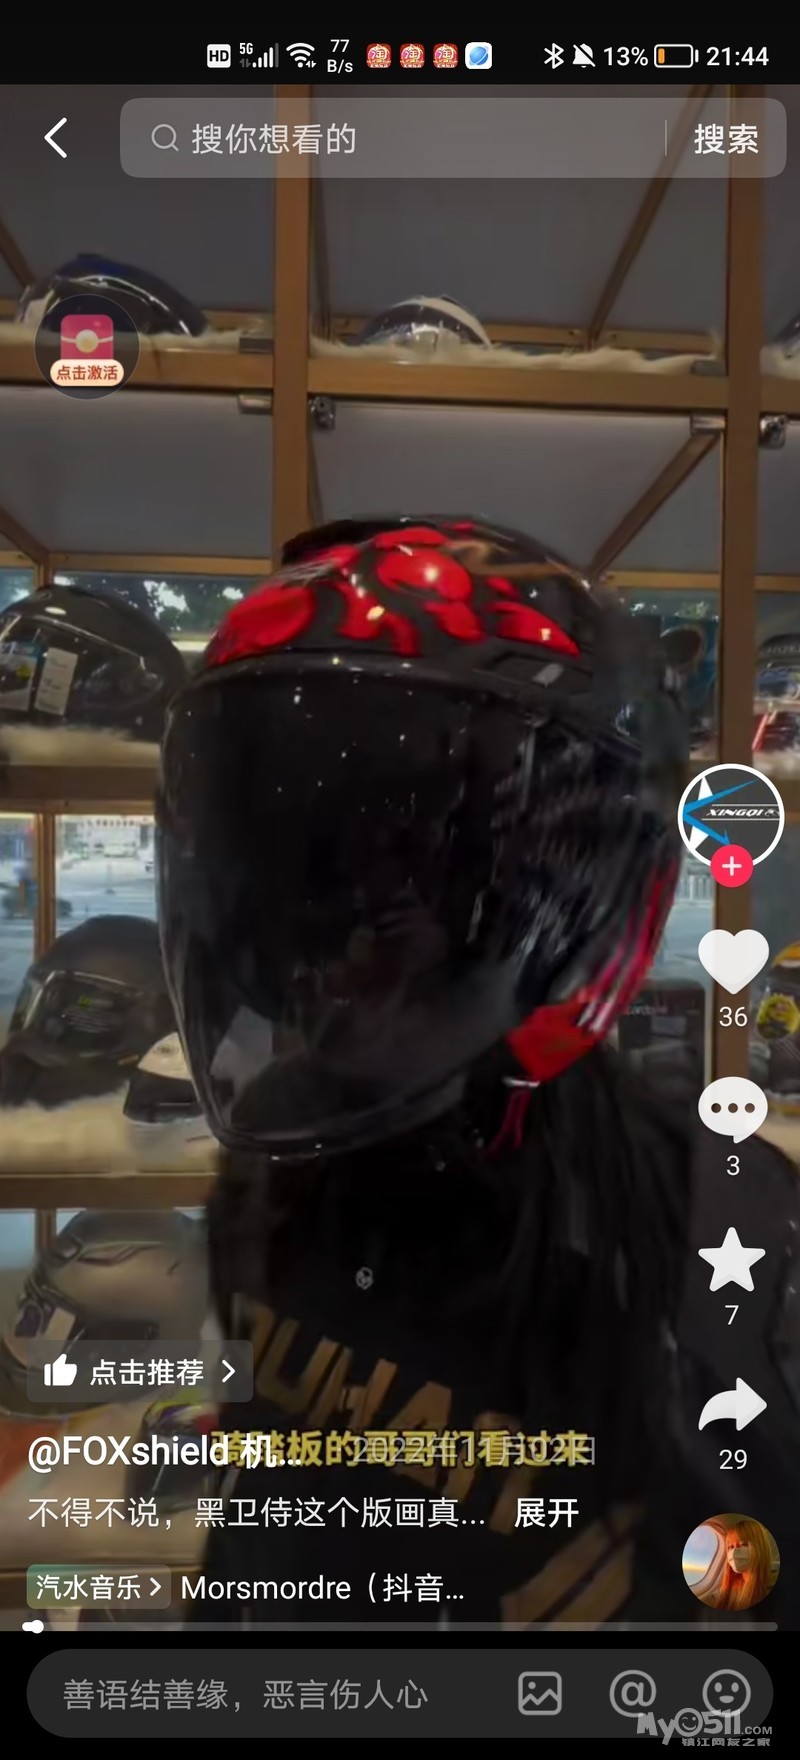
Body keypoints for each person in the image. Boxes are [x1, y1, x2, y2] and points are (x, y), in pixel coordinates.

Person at [155, 516, 800, 1627]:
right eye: (308, 889)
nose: (334, 962)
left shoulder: (717, 1229)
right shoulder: (289, 1137)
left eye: (418, 893)